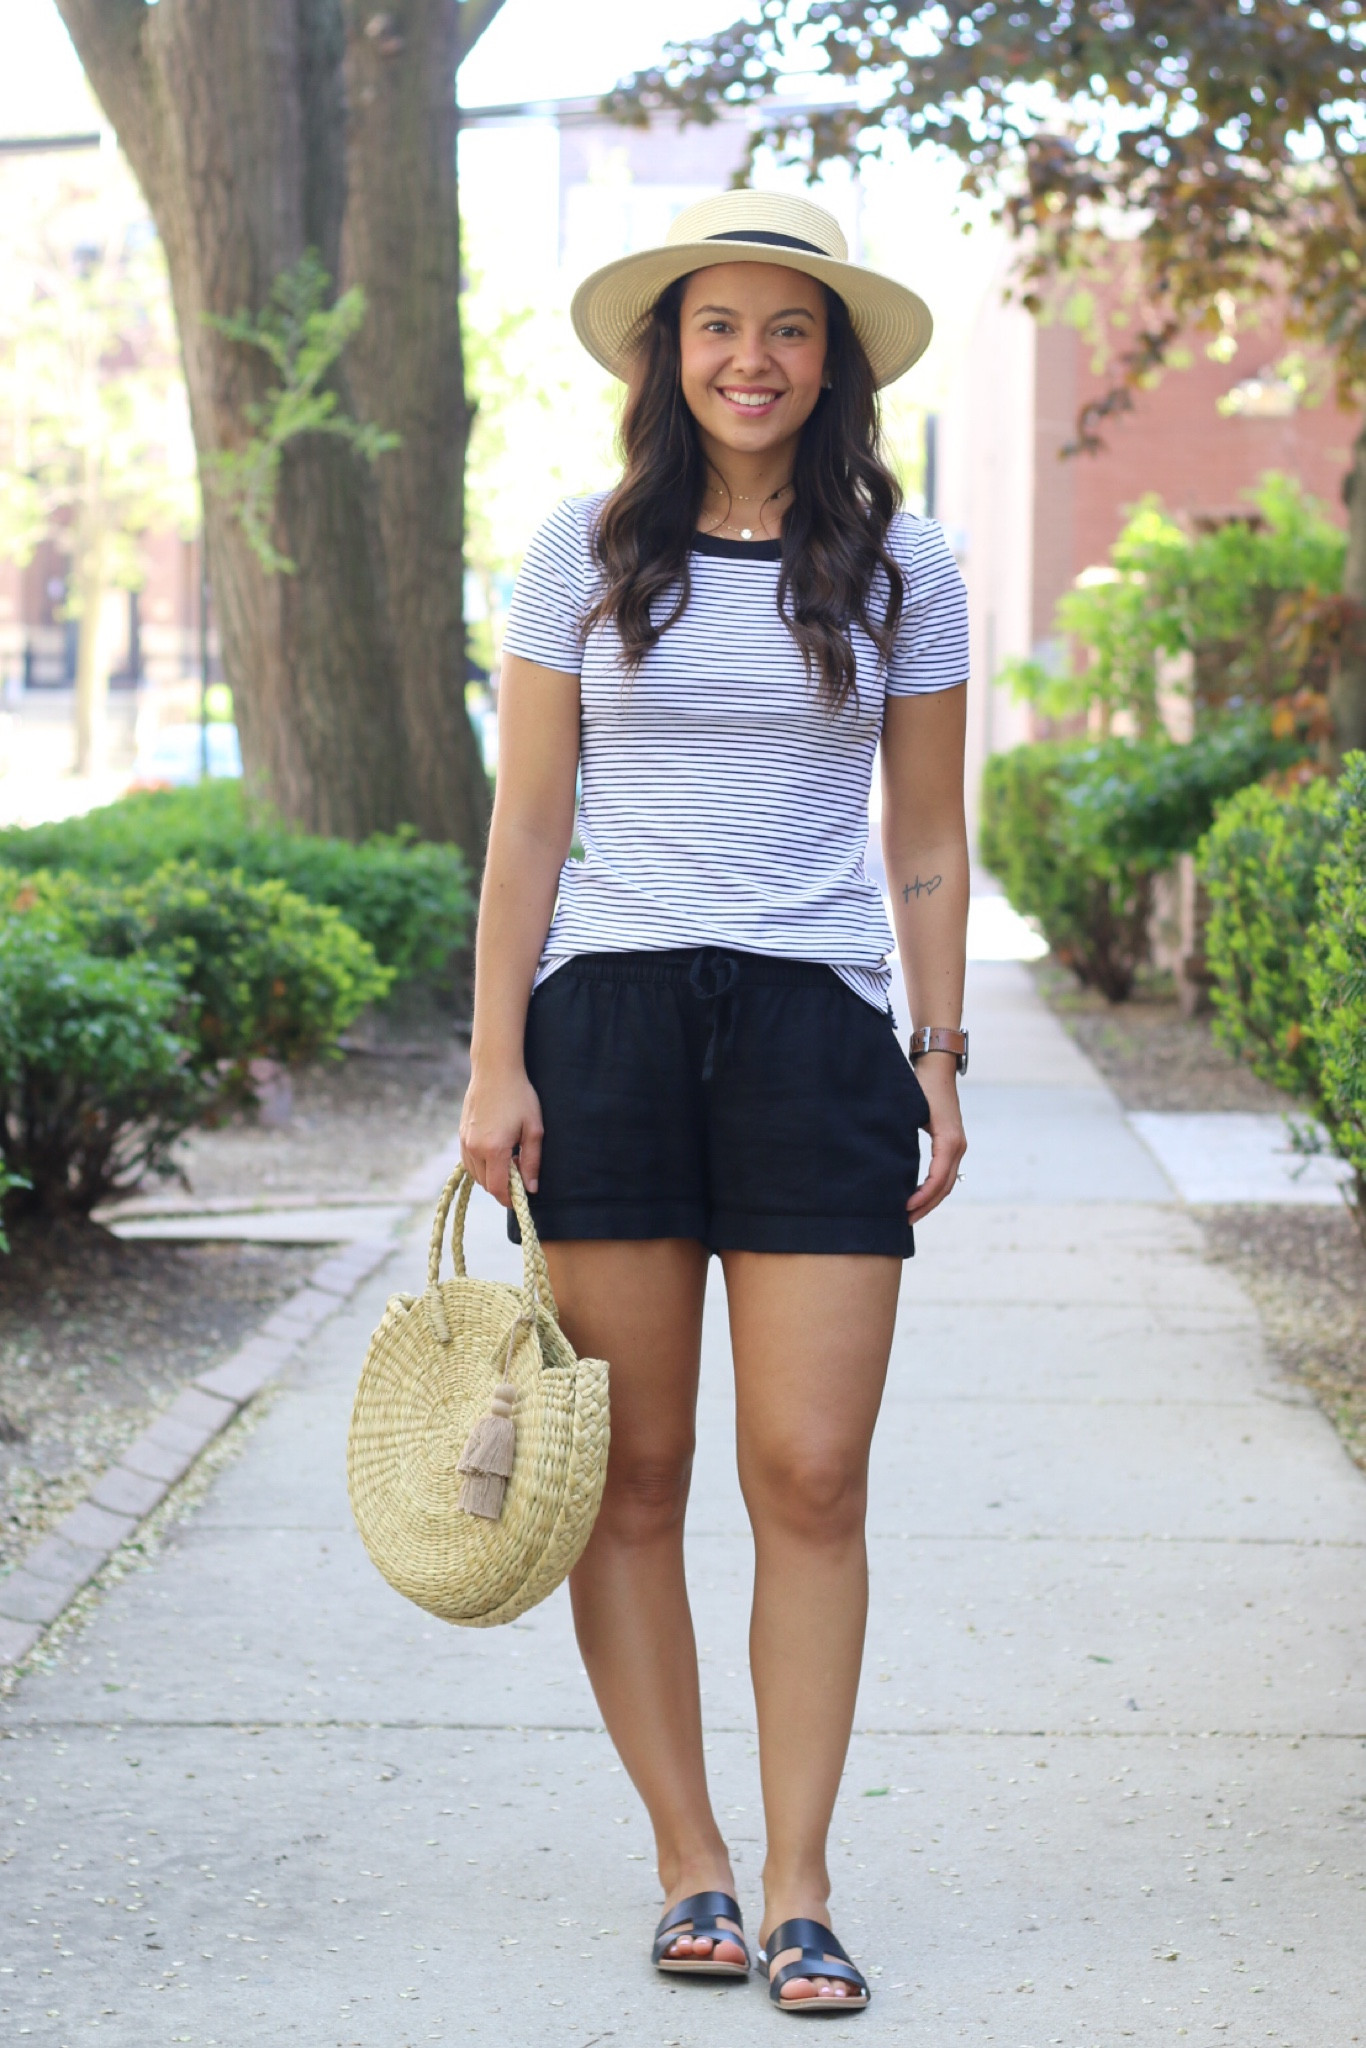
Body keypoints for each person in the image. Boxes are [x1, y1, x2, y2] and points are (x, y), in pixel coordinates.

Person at [459, 189, 969, 2015]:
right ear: (667, 357)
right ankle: (692, 1863)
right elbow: (526, 822)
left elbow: (921, 836)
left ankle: (806, 1883)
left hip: (815, 1030)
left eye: (788, 329)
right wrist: (494, 1057)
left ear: (830, 363)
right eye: (718, 327)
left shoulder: (908, 566)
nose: (751, 359)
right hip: (602, 1025)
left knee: (812, 1475)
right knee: (637, 1479)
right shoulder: (577, 552)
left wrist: (936, 1047)